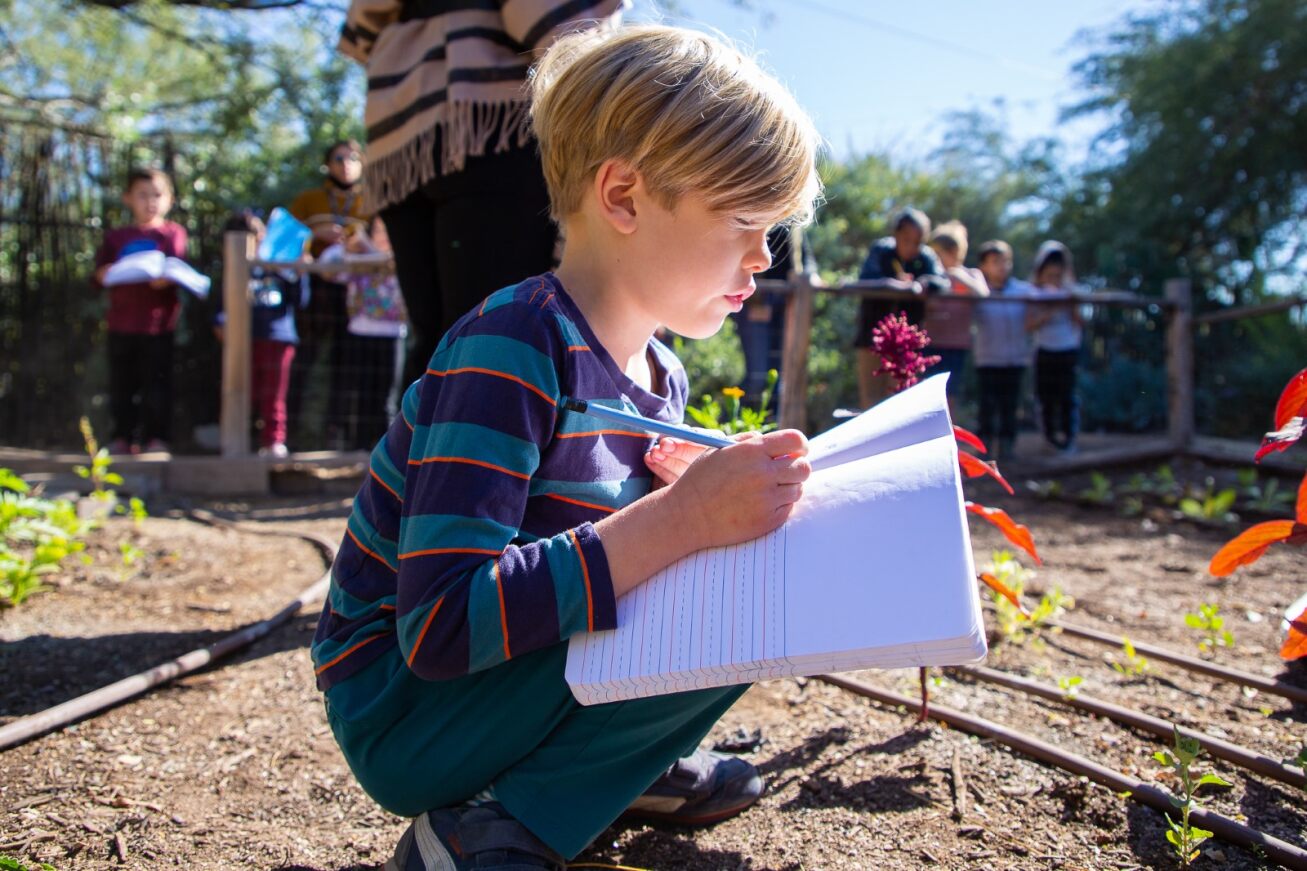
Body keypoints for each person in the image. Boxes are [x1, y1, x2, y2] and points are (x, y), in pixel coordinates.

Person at [310, 24, 820, 870]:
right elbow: (439, 624)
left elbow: (605, 551)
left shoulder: (660, 376)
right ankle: (496, 823)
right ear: (621, 195)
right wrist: (679, 521)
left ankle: (613, 766)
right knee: (716, 558)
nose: (764, 256)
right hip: (405, 706)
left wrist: (688, 511)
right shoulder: (513, 344)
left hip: (501, 686)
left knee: (756, 563)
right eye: (743, 220)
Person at [338, 0, 625, 389]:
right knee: (496, 331)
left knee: (438, 339)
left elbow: (360, 31)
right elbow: (565, 34)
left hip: (401, 132)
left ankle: (425, 448)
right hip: (491, 122)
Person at [91, 167, 188, 456]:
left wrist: (167, 278)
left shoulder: (172, 233)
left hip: (159, 326)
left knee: (156, 385)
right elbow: (97, 277)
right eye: (142, 195)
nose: (150, 202)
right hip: (121, 323)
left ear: (169, 199)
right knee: (122, 385)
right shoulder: (117, 237)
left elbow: (178, 268)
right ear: (127, 198)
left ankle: (156, 440)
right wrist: (103, 274)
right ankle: (122, 438)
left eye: (157, 195)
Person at [287, 140, 372, 449]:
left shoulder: (372, 199)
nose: (345, 164)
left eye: (352, 158)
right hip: (315, 288)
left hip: (358, 291)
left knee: (349, 362)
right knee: (304, 357)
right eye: (338, 158)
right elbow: (286, 239)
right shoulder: (308, 200)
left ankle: (341, 435)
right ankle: (289, 434)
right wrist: (314, 235)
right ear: (328, 164)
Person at [215, 211, 310, 459]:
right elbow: (219, 306)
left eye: (258, 234)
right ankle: (238, 442)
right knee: (244, 393)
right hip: (243, 342)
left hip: (278, 338)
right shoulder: (232, 270)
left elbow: (300, 301)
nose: (256, 239)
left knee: (274, 394)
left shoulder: (281, 266)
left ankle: (273, 441)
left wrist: (300, 274)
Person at [854, 208, 950, 408]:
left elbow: (942, 282)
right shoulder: (881, 251)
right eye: (907, 239)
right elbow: (866, 279)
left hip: (907, 343)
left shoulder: (925, 257)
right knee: (870, 400)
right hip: (872, 338)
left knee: (901, 401)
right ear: (896, 234)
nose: (912, 246)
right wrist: (896, 285)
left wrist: (923, 283)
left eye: (918, 241)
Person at [331, 217, 408, 449]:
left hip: (393, 334)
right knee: (360, 394)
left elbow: (388, 260)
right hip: (361, 333)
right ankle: (359, 446)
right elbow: (330, 265)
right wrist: (350, 246)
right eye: (377, 230)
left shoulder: (402, 257)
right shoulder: (355, 257)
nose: (383, 235)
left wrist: (367, 249)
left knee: (388, 396)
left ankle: (387, 450)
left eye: (387, 230)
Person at [971, 240, 1031, 461]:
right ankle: (984, 448)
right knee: (987, 406)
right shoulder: (977, 292)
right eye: (996, 262)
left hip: (1015, 360)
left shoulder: (1022, 290)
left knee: (1010, 406)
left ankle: (1007, 448)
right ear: (984, 265)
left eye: (1006, 261)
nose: (1002, 266)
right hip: (988, 360)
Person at [1026, 241, 1084, 454]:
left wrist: (1071, 304)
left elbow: (1081, 322)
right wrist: (1051, 310)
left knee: (1067, 396)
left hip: (1068, 350)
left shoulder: (1073, 292)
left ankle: (1069, 439)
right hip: (1044, 350)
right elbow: (1029, 325)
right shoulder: (1033, 293)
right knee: (1046, 397)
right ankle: (1049, 439)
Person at [924, 220, 987, 410]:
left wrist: (958, 276)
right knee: (927, 394)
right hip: (931, 343)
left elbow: (983, 294)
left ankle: (950, 434)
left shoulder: (971, 274)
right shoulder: (932, 276)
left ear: (953, 252)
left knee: (950, 394)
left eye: (938, 254)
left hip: (956, 346)